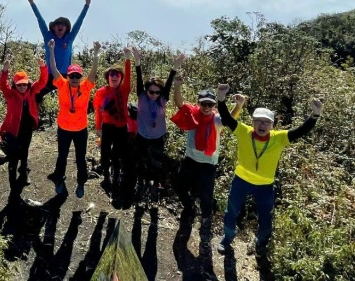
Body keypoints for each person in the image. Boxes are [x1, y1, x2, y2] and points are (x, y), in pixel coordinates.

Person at [214, 83, 324, 257]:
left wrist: (315, 115)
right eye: (258, 121)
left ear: (272, 125)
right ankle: (227, 238)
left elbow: (301, 131)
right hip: (241, 180)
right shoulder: (244, 131)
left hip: (265, 186)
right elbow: (227, 118)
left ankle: (261, 245)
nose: (262, 125)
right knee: (232, 211)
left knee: (266, 218)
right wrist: (220, 98)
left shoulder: (279, 138)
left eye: (266, 122)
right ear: (253, 122)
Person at [170, 76, 245, 222]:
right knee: (180, 188)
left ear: (214, 106)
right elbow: (179, 103)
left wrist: (239, 105)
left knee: (206, 196)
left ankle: (205, 220)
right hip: (190, 161)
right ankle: (189, 208)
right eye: (203, 104)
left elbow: (229, 120)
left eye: (210, 104)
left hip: (208, 164)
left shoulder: (216, 119)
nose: (206, 107)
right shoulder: (192, 114)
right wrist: (177, 86)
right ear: (199, 103)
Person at [47, 38, 101, 198]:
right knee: (62, 156)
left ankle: (81, 182)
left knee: (80, 157)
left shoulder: (86, 86)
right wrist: (51, 50)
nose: (75, 78)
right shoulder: (62, 84)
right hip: (63, 128)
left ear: (81, 77)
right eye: (72, 75)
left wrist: (96, 54)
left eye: (77, 75)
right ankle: (59, 180)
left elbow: (93, 72)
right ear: (68, 76)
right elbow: (54, 68)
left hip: (80, 130)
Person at [129, 50, 184, 205]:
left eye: (157, 92)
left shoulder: (163, 98)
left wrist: (175, 67)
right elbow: (139, 78)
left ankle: (155, 185)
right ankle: (142, 184)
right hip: (142, 135)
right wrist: (137, 62)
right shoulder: (141, 96)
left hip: (158, 136)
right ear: (146, 90)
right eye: (151, 91)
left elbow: (169, 82)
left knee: (157, 162)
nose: (154, 94)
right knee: (142, 160)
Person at [27, 0, 91, 109]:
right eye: (57, 24)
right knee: (35, 93)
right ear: (54, 28)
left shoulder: (69, 38)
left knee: (74, 96)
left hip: (66, 76)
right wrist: (32, 3)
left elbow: (79, 22)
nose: (60, 26)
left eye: (63, 24)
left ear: (66, 28)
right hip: (50, 76)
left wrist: (86, 6)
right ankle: (36, 115)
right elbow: (40, 20)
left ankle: (75, 116)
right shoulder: (48, 36)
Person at [0, 52, 49, 202]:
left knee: (25, 151)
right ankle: (13, 184)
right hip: (13, 129)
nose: (22, 86)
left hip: (27, 127)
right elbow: (2, 84)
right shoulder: (10, 94)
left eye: (24, 84)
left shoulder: (32, 91)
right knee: (14, 156)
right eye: (19, 84)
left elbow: (43, 81)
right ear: (15, 84)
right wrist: (5, 71)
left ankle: (24, 171)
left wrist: (42, 67)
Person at [94, 47, 133, 199]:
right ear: (107, 77)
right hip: (107, 127)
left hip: (121, 128)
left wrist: (128, 58)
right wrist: (98, 128)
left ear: (121, 78)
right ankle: (106, 176)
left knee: (117, 155)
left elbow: (129, 76)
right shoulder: (100, 92)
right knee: (104, 154)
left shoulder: (124, 90)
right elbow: (98, 111)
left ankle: (116, 177)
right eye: (112, 75)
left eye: (118, 75)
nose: (115, 77)